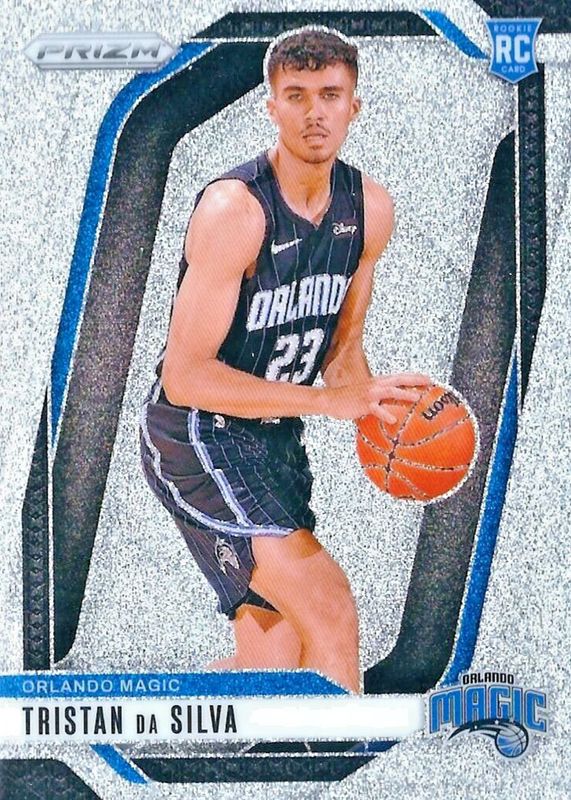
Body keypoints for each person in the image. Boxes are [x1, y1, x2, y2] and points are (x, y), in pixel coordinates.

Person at [140, 27, 429, 693]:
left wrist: (382, 418)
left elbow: (341, 354)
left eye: (330, 94)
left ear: (354, 106)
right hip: (196, 435)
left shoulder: (368, 209)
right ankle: (349, 758)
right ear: (270, 106)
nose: (314, 112)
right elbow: (185, 377)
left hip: (274, 441)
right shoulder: (235, 210)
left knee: (274, 663)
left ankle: (160, 738)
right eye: (295, 95)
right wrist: (329, 403)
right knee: (328, 605)